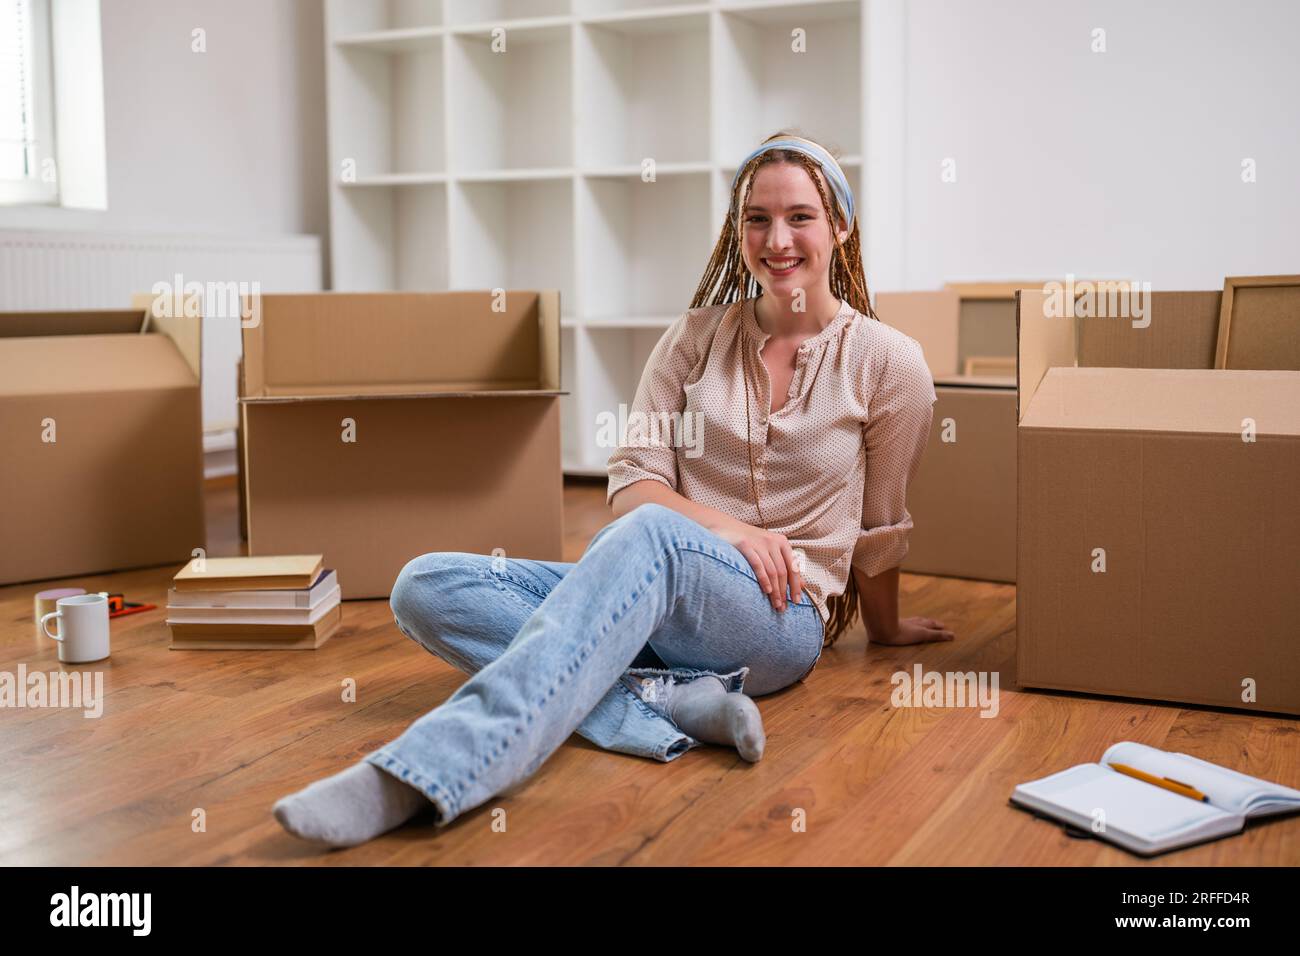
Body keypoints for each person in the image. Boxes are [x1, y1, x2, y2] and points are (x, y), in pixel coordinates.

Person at [272, 130, 954, 849]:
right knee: (424, 584)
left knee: (650, 537)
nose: (776, 239)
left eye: (800, 216)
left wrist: (885, 627)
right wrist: (728, 529)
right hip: (660, 589)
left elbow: (881, 523)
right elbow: (632, 483)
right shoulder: (693, 338)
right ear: (737, 230)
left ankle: (420, 772)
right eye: (756, 218)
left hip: (780, 620)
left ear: (840, 227)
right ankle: (672, 699)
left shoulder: (889, 362)